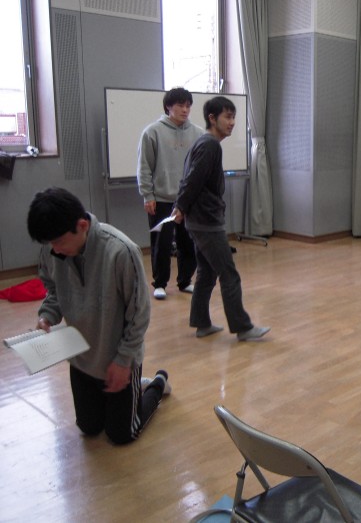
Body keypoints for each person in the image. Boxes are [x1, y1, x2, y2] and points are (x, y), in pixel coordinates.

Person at [27, 187, 171, 445]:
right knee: (89, 427)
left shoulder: (121, 251)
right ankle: (131, 391)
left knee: (123, 434)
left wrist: (124, 361)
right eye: (49, 244)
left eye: (58, 242)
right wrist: (46, 316)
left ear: (82, 226)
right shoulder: (53, 249)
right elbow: (54, 291)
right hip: (82, 359)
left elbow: (139, 314)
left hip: (118, 358)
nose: (54, 249)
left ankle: (157, 383)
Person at [172, 96, 271, 341]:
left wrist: (182, 207)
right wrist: (180, 206)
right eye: (227, 117)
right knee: (229, 274)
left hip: (200, 220)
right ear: (212, 118)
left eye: (233, 117)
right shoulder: (210, 145)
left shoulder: (204, 143)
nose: (232, 122)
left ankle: (201, 323)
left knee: (207, 273)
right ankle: (243, 328)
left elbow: (191, 179)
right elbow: (192, 180)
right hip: (206, 222)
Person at [137, 87, 204, 300]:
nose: (185, 110)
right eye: (180, 105)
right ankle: (160, 283)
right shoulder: (152, 132)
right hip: (161, 198)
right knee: (161, 243)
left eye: (188, 106)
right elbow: (144, 166)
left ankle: (185, 281)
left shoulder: (198, 134)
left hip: (187, 199)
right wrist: (148, 195)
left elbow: (200, 168)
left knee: (188, 242)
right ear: (168, 107)